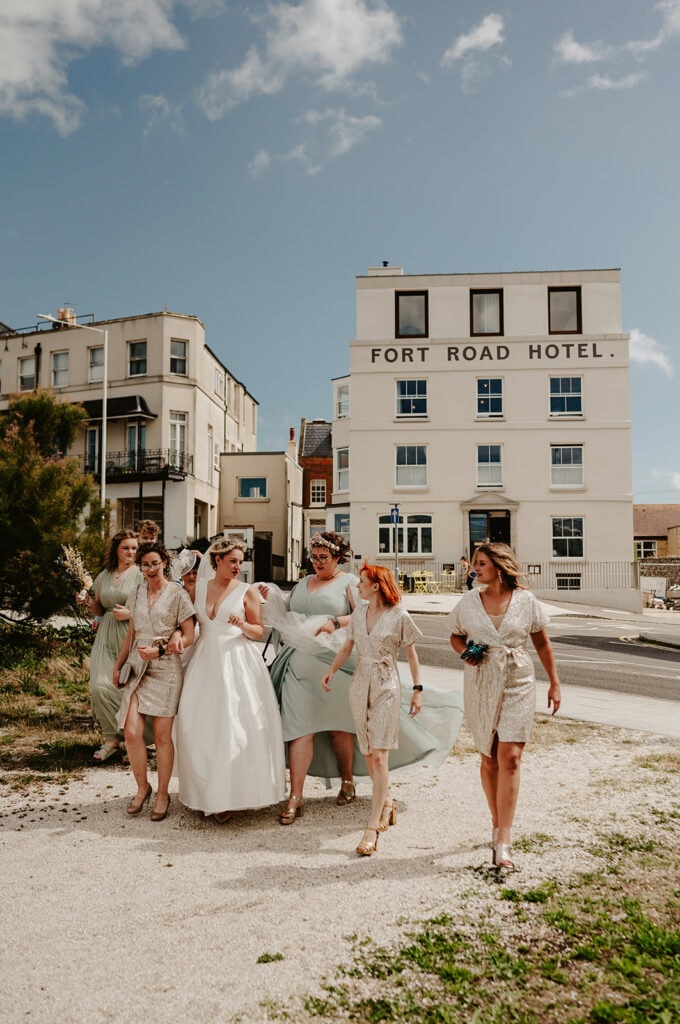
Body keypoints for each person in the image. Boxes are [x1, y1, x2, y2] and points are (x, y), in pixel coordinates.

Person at [447, 542, 562, 871]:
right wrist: (466, 653)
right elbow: (455, 636)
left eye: (481, 563)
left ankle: (503, 842)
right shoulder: (469, 602)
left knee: (509, 756)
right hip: (482, 682)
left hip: (518, 682)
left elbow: (541, 641)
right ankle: (497, 822)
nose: (474, 568)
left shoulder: (526, 601)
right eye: (474, 563)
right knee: (488, 756)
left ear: (499, 567)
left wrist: (554, 682)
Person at [175, 539, 285, 823]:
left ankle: (232, 795)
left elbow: (258, 631)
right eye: (232, 561)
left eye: (240, 561)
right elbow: (187, 624)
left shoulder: (247, 591)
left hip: (238, 662)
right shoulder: (196, 588)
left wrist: (242, 625)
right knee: (199, 726)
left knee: (234, 726)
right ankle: (206, 793)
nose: (238, 566)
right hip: (205, 661)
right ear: (217, 561)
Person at [322, 564, 423, 857]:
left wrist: (418, 690)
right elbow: (347, 647)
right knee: (368, 752)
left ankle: (372, 827)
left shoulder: (399, 615)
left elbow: (412, 654)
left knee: (379, 755)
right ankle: (387, 802)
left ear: (376, 585)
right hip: (359, 685)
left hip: (386, 685)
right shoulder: (357, 614)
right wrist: (331, 670)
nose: (357, 586)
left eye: (362, 582)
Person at [259, 531, 360, 824]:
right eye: (313, 557)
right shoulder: (303, 583)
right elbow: (288, 617)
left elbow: (364, 616)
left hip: (333, 666)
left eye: (323, 558)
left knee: (338, 728)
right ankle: (296, 795)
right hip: (297, 667)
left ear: (338, 557)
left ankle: (348, 780)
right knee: (299, 728)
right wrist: (273, 598)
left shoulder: (350, 583)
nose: (317, 562)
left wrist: (335, 621)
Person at [114, 541, 195, 821]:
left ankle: (163, 793)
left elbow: (189, 634)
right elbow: (131, 634)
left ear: (164, 563)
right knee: (131, 731)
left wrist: (161, 650)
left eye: (154, 564)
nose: (149, 569)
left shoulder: (177, 594)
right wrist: (119, 664)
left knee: (162, 737)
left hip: (167, 669)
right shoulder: (136, 593)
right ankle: (142, 787)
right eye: (144, 565)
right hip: (138, 667)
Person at [77, 529, 140, 763]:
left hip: (130, 634)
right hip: (106, 635)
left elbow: (151, 606)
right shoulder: (104, 575)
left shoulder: (141, 575)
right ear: (116, 549)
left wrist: (131, 613)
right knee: (99, 686)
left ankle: (135, 739)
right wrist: (87, 603)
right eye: (126, 548)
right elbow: (100, 610)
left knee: (128, 688)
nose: (131, 552)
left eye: (134, 548)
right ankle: (112, 739)